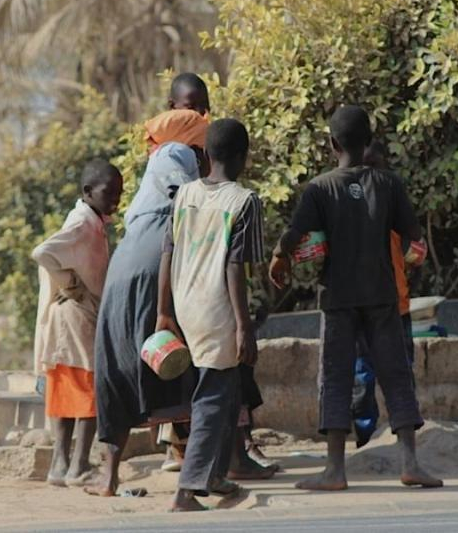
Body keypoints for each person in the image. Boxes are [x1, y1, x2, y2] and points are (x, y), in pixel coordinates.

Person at [269, 105, 443, 491]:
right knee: (396, 375)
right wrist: (412, 262)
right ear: (368, 142)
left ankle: (335, 470)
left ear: (332, 144)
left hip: (338, 299)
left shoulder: (320, 188)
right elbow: (414, 239)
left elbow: (294, 236)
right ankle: (411, 463)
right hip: (382, 296)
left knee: (335, 378)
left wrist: (279, 261)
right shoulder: (389, 183)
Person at [87, 74, 211, 498]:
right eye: (193, 112)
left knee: (119, 361)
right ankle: (207, 470)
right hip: (157, 259)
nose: (199, 118)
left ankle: (109, 475)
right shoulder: (176, 153)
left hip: (127, 264)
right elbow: (187, 209)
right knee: (194, 355)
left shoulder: (164, 159)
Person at [157, 118, 265, 512]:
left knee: (227, 388)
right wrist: (244, 325)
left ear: (206, 155)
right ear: (242, 157)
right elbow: (236, 267)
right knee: (214, 397)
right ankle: (187, 489)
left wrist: (163, 312)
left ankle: (215, 474)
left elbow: (166, 255)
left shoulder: (183, 195)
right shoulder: (243, 201)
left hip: (185, 303)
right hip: (218, 307)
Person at [32, 159, 123, 487]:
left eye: (119, 193)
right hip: (76, 315)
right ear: (88, 192)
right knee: (88, 386)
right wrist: (72, 286)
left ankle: (61, 465)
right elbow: (42, 252)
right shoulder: (82, 222)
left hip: (72, 318)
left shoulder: (93, 220)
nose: (115, 199)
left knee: (68, 386)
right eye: (108, 192)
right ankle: (79, 465)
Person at [351, 140, 418, 447]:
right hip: (361, 307)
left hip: (396, 306)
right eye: (365, 168)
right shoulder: (347, 207)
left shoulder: (395, 206)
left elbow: (415, 247)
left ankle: (403, 438)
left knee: (401, 373)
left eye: (377, 168)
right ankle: (366, 438)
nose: (371, 176)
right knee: (362, 378)